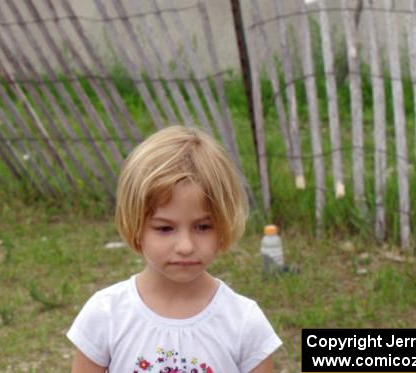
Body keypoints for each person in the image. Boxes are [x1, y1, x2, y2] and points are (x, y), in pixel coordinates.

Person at [67, 125, 281, 373]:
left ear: (223, 225)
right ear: (136, 226)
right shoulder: (106, 314)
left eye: (202, 227)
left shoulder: (244, 322)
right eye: (165, 229)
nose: (186, 246)